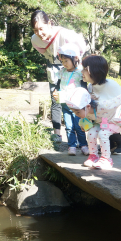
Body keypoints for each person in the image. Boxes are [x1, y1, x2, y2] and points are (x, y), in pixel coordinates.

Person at [30, 10, 87, 143]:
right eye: (35, 30)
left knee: (77, 100)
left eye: (41, 29)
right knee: (56, 99)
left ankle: (82, 135)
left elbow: (81, 48)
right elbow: (42, 51)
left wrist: (73, 61)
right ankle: (57, 134)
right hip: (55, 68)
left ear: (49, 23)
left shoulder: (65, 34)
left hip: (73, 68)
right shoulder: (35, 39)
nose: (39, 33)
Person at [73, 55, 121, 170]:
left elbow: (120, 102)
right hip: (100, 120)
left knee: (103, 134)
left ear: (92, 70)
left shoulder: (111, 85)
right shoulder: (91, 86)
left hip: (113, 120)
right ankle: (93, 156)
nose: (81, 72)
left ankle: (106, 159)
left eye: (84, 69)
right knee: (91, 133)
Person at [52, 44, 88, 156]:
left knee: (79, 126)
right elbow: (58, 85)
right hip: (65, 104)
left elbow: (84, 87)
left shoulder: (80, 72)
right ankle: (71, 146)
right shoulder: (62, 72)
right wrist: (55, 91)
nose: (64, 63)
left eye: (66, 60)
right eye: (62, 61)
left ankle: (83, 145)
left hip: (77, 105)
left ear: (76, 58)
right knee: (68, 126)